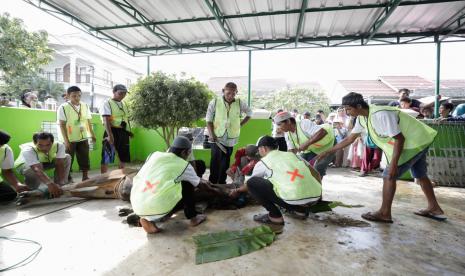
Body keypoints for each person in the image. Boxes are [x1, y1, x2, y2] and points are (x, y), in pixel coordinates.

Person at [318, 92, 445, 223]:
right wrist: (328, 151)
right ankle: (434, 208)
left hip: (413, 143)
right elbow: (350, 139)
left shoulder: (380, 114)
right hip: (419, 141)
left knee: (388, 175)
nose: (347, 112)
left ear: (358, 106)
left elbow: (399, 139)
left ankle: (385, 213)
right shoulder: (362, 118)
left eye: (349, 109)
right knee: (420, 175)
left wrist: (394, 164)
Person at [231, 136, 322, 233]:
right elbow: (316, 174)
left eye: (259, 149)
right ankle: (301, 211)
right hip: (314, 200)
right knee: (281, 182)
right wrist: (318, 193)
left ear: (263, 148)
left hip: (293, 201)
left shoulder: (264, 162)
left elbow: (248, 186)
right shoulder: (294, 155)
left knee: (252, 183)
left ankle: (275, 216)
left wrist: (237, 190)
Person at [130, 136, 218, 234]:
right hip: (158, 207)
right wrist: (215, 191)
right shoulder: (183, 165)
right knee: (187, 182)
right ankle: (193, 217)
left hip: (136, 202)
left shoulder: (154, 155)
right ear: (184, 152)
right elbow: (201, 185)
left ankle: (147, 219)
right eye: (188, 153)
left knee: (169, 182)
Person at [206, 82, 252, 184]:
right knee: (215, 161)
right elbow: (208, 120)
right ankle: (212, 183)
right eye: (228, 93)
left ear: (236, 92)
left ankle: (222, 183)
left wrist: (240, 124)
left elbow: (250, 113)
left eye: (233, 93)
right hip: (217, 137)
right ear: (223, 91)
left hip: (231, 138)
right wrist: (211, 134)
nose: (231, 96)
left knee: (225, 162)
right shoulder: (215, 102)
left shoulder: (240, 103)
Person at [274, 111, 335, 178]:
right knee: (300, 167)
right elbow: (292, 151)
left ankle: (317, 187)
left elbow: (323, 132)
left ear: (288, 121)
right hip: (313, 149)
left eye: (279, 124)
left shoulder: (303, 123)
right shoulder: (287, 133)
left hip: (329, 145)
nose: (278, 127)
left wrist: (306, 144)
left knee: (317, 169)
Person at [14, 132, 71, 198]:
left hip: (44, 163)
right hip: (25, 165)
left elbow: (60, 163)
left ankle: (60, 185)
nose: (44, 148)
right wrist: (50, 183)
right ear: (35, 143)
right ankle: (29, 191)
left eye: (48, 145)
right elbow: (36, 169)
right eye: (40, 145)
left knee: (66, 157)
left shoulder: (59, 145)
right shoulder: (28, 149)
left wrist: (61, 182)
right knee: (32, 170)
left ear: (52, 142)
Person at [57, 86, 96, 181]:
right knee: (68, 158)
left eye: (79, 95)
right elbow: (62, 125)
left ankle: (85, 176)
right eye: (74, 96)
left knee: (84, 157)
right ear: (68, 96)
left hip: (83, 136)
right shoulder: (63, 107)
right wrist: (66, 141)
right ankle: (68, 177)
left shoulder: (84, 105)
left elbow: (88, 121)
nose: (77, 98)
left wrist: (92, 134)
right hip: (70, 138)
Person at [100, 84, 133, 173]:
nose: (123, 95)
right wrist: (110, 136)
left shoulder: (124, 103)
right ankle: (103, 179)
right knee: (107, 156)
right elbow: (106, 119)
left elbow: (126, 118)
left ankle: (120, 177)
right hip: (111, 130)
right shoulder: (107, 103)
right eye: (120, 93)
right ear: (114, 92)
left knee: (123, 156)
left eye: (125, 93)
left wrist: (129, 132)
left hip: (123, 131)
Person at [0, 131, 30, 201]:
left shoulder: (6, 150)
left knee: (10, 194)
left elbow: (7, 171)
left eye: (0, 144)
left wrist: (17, 184)